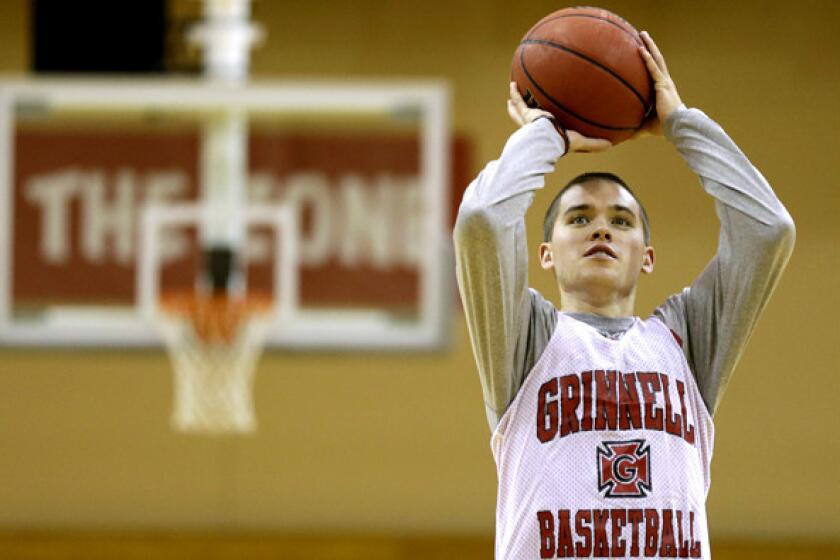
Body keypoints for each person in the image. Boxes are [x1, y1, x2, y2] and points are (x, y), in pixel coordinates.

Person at [453, 31, 795, 559]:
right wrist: (548, 136)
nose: (601, 230)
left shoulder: (687, 341)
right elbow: (482, 218)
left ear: (647, 256)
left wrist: (681, 123)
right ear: (545, 253)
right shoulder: (525, 341)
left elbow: (768, 229)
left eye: (621, 220)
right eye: (580, 218)